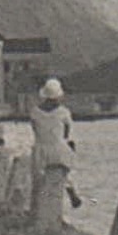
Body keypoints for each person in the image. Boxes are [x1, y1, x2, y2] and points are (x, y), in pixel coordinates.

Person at [29, 77, 82, 216]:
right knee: (65, 171)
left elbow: (35, 130)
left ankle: (38, 207)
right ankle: (71, 192)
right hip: (58, 148)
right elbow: (67, 133)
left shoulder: (34, 112)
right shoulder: (64, 112)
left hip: (41, 149)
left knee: (38, 180)